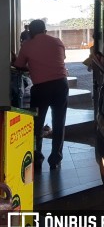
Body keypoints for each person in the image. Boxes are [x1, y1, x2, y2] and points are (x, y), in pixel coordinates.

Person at [12, 19, 68, 171]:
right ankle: (55, 160)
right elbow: (59, 60)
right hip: (61, 85)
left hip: (41, 88)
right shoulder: (57, 42)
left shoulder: (27, 46)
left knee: (36, 125)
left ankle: (37, 159)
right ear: (45, 30)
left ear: (30, 32)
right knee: (59, 123)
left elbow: (18, 66)